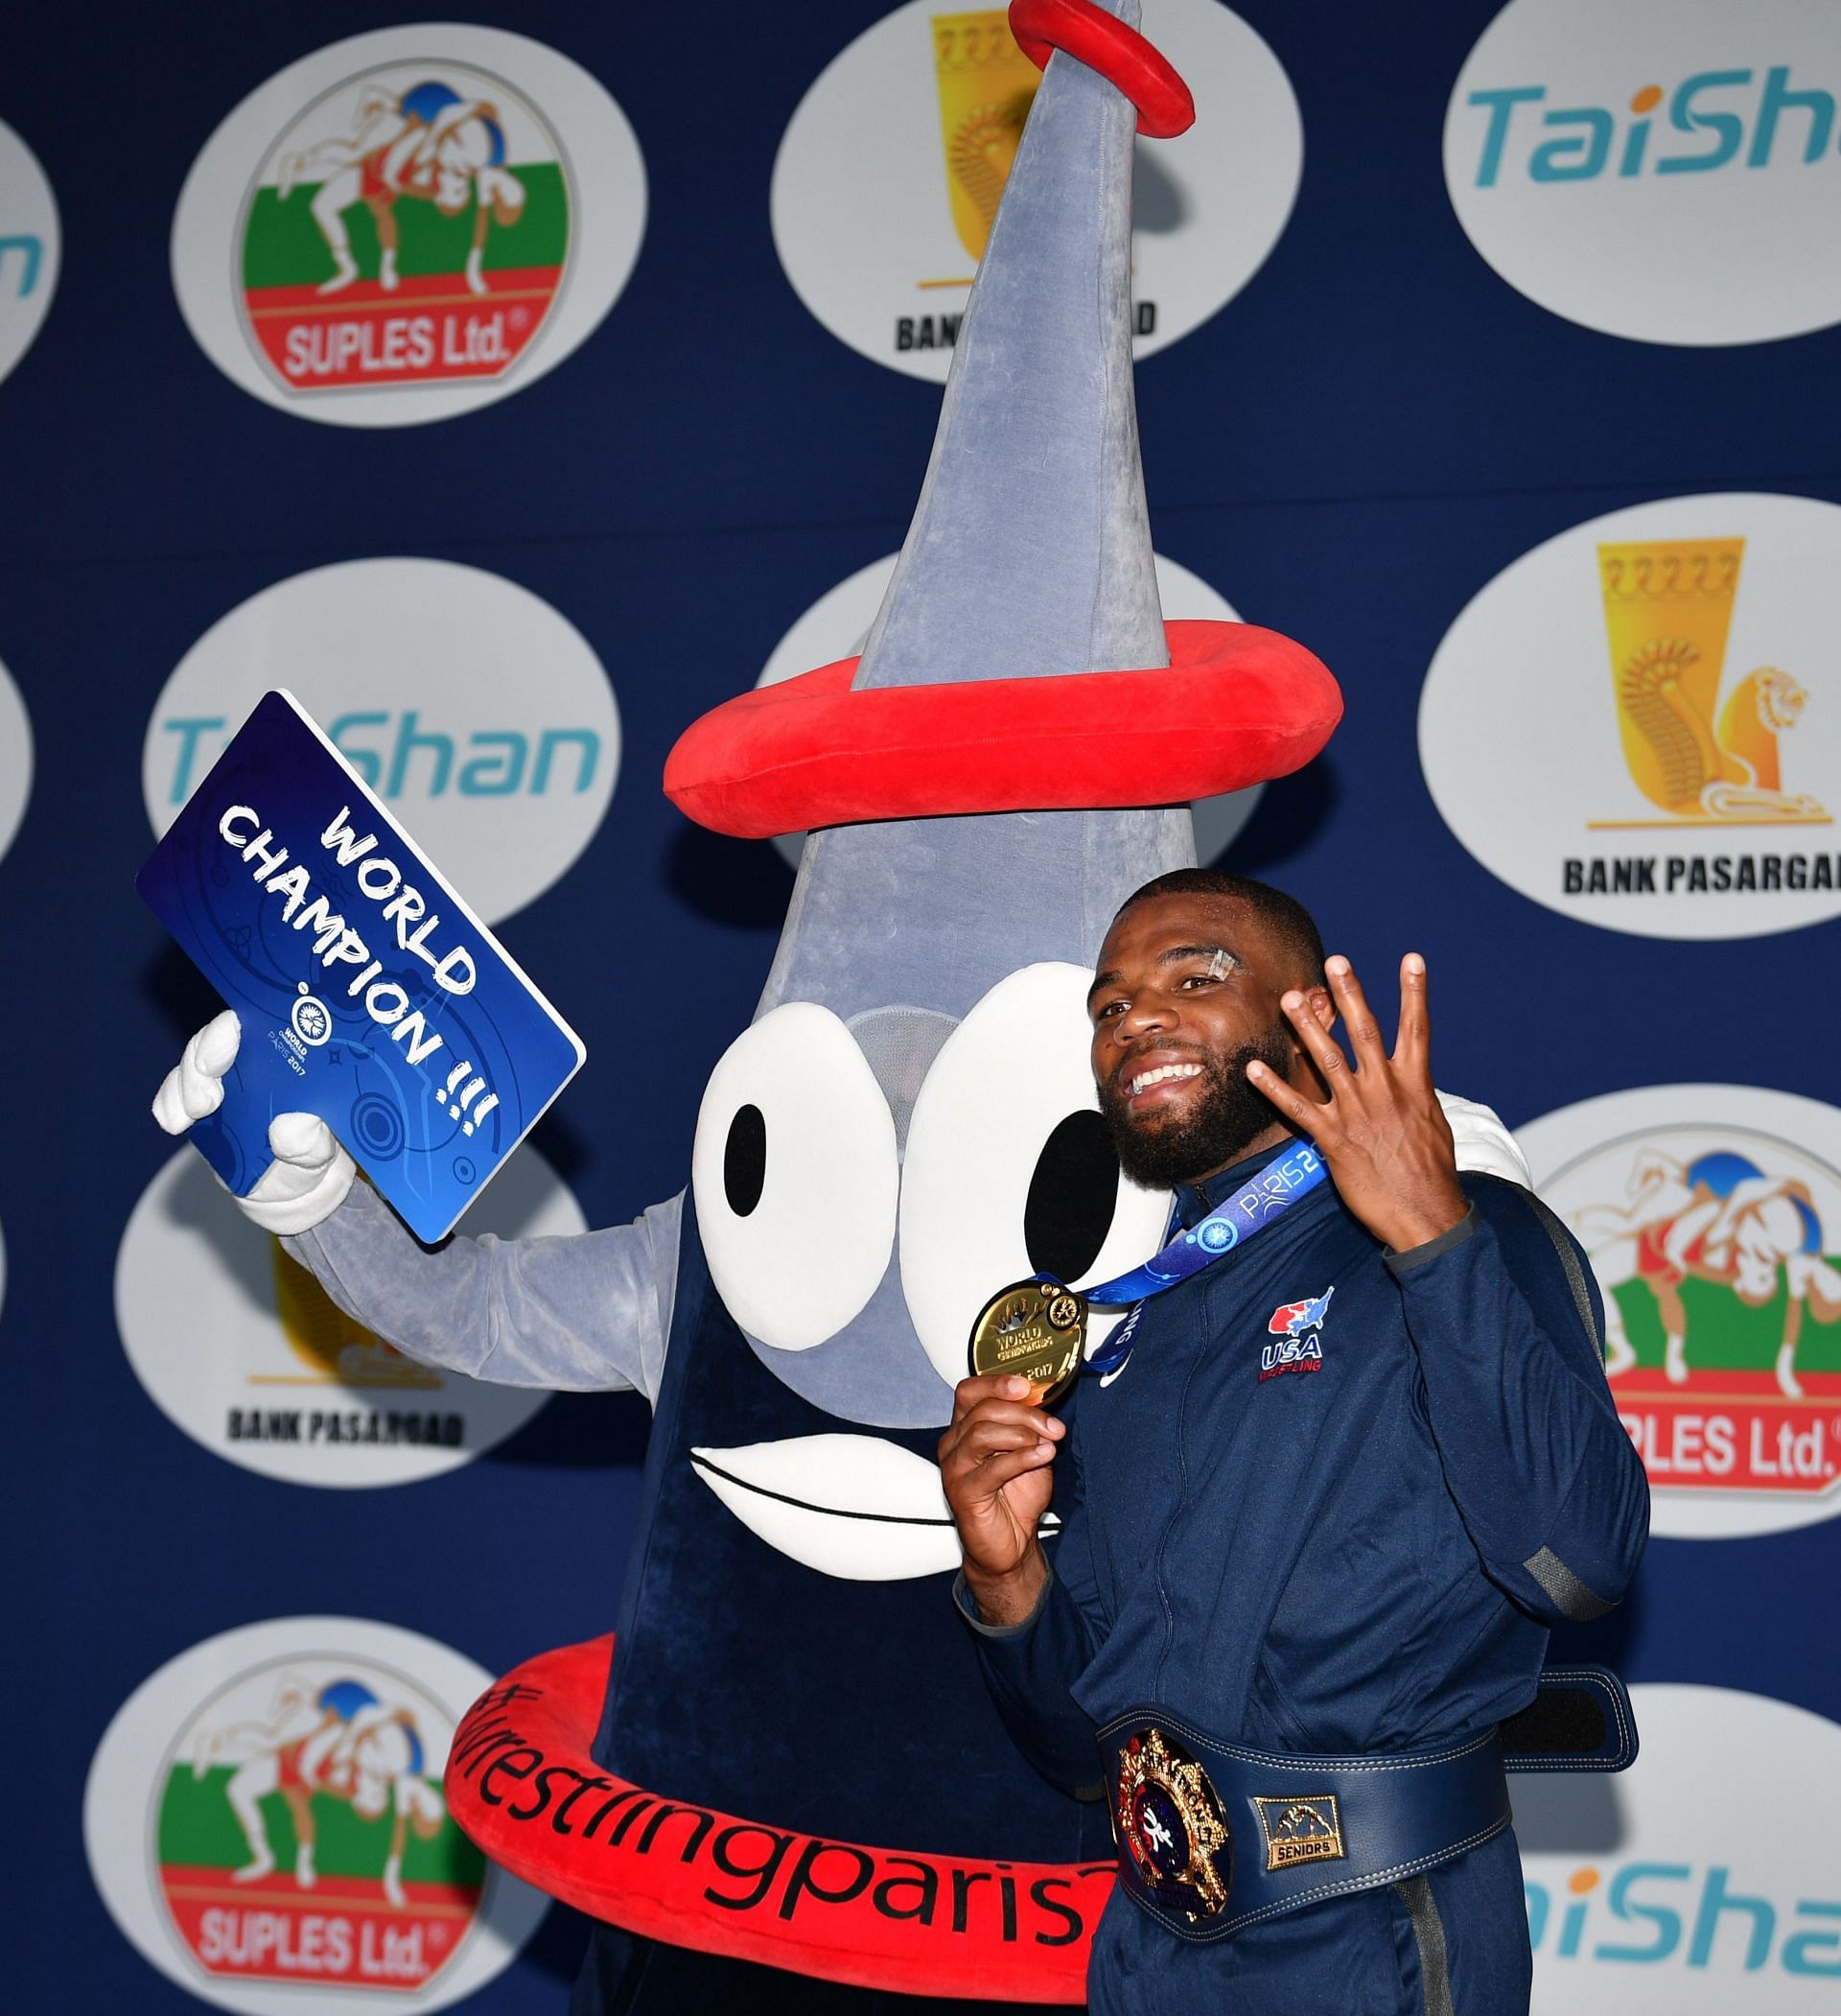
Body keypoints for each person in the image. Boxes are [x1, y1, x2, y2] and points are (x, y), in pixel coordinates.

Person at [939, 867, 1650, 2016]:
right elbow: (1083, 1752)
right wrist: (1007, 1576)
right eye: (1109, 1005)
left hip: (1374, 1935)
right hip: (1144, 1949)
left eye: (1194, 975)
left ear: (1305, 1015)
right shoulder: (1134, 1316)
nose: (1138, 1018)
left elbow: (1580, 1561)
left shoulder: (1471, 1229)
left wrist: (1434, 1236)